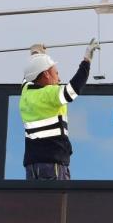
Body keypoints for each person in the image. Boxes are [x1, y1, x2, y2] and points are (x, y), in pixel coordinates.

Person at [19, 39, 100, 181]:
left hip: (32, 166)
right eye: (56, 73)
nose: (59, 78)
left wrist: (37, 54)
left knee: (36, 202)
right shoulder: (49, 94)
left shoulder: (25, 92)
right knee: (56, 202)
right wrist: (86, 61)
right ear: (46, 75)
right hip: (52, 164)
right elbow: (73, 89)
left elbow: (29, 75)